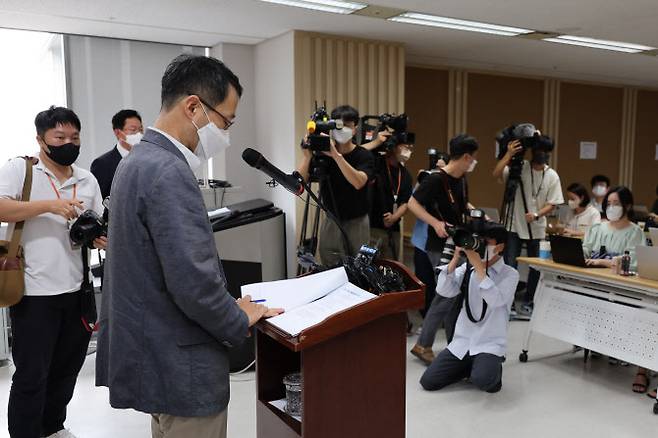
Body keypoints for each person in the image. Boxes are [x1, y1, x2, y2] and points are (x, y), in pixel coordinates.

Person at [95, 55, 282, 438]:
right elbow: (192, 280)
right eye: (226, 121)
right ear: (193, 106)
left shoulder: (136, 161)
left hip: (157, 357)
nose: (226, 133)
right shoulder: (168, 171)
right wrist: (237, 318)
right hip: (183, 365)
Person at [0, 106, 105, 438]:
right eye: (59, 137)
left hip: (77, 289)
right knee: (32, 374)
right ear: (40, 139)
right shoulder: (22, 170)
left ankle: (52, 427)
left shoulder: (86, 178)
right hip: (33, 293)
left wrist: (99, 236)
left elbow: (96, 221)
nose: (68, 143)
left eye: (74, 137)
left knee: (67, 368)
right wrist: (49, 205)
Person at [420, 223, 519, 393]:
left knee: (485, 382)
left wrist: (478, 266)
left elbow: (495, 300)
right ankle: (469, 366)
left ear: (500, 246)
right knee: (429, 381)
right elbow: (444, 290)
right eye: (478, 241)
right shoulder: (468, 269)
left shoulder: (510, 274)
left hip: (490, 343)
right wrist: (455, 259)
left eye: (486, 242)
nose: (480, 246)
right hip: (463, 340)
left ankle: (488, 367)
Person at [408, 134, 478, 365]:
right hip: (439, 245)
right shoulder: (435, 179)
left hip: (457, 242)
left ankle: (453, 343)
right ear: (466, 157)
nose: (473, 163)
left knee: (453, 295)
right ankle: (423, 344)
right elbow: (412, 204)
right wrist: (435, 223)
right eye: (473, 158)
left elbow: (461, 204)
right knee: (446, 295)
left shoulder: (462, 178)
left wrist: (476, 213)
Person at [579, 186, 647, 393]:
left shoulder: (634, 232)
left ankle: (625, 353)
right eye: (608, 203)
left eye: (616, 204)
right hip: (596, 284)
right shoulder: (597, 228)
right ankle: (596, 343)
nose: (611, 207)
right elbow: (584, 250)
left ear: (627, 205)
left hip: (622, 289)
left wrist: (603, 263)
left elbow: (633, 262)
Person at [297, 105, 375, 266]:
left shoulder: (364, 155)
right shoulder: (322, 156)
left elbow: (359, 182)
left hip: (357, 221)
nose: (343, 129)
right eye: (339, 125)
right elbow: (299, 184)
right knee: (329, 265)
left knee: (360, 266)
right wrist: (307, 156)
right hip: (331, 219)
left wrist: (336, 155)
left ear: (355, 128)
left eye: (348, 125)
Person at [493, 137, 563, 313]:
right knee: (510, 265)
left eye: (546, 152)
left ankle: (529, 301)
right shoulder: (520, 167)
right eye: (539, 151)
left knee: (536, 267)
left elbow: (553, 203)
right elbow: (496, 173)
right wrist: (509, 154)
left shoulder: (552, 175)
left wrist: (537, 214)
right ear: (532, 151)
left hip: (537, 228)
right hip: (514, 225)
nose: (542, 155)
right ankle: (507, 303)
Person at [411, 153, 449, 317]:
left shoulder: (449, 186)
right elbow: (413, 203)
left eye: (441, 168)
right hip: (421, 241)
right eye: (435, 168)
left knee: (441, 282)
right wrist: (421, 182)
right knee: (424, 280)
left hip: (440, 243)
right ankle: (426, 315)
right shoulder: (425, 181)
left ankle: (441, 315)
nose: (437, 172)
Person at [368, 136, 414, 261]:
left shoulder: (405, 174)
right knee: (369, 264)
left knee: (390, 267)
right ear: (394, 147)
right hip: (372, 226)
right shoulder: (377, 164)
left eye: (410, 148)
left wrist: (394, 218)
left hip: (393, 230)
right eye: (405, 147)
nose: (408, 151)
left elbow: (406, 202)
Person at [90, 109, 144, 199]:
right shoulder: (102, 164)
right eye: (133, 130)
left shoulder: (147, 159)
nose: (139, 134)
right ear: (118, 133)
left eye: (141, 130)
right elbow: (99, 201)